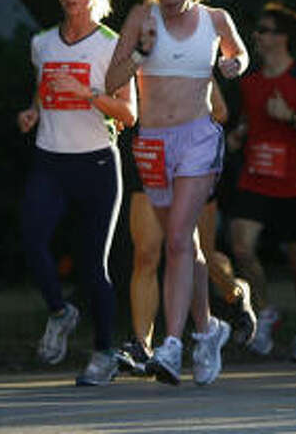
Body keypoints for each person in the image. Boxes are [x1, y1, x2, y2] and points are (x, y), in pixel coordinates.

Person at [105, 0, 247, 386]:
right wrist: (142, 54)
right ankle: (207, 330)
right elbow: (111, 80)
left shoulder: (215, 19)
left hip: (198, 140)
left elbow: (239, 54)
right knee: (184, 245)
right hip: (153, 142)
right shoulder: (140, 19)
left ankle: (170, 343)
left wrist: (232, 65)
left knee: (179, 240)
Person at [17, 0, 137, 386]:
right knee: (32, 240)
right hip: (50, 157)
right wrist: (33, 112)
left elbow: (128, 113)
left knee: (92, 264)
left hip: (97, 161)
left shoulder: (112, 44)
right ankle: (60, 311)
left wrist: (88, 93)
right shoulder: (43, 43)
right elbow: (42, 88)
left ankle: (104, 353)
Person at [115, 82, 256, 377]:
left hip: (190, 164)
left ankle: (234, 294)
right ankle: (142, 344)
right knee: (146, 253)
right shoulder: (137, 56)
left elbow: (220, 111)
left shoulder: (191, 49)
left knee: (196, 253)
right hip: (151, 159)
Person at [227, 2, 296, 364]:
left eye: (265, 29)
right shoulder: (251, 82)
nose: (257, 35)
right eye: (257, 30)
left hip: (294, 181)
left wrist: (290, 117)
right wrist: (239, 134)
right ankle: (265, 311)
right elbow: (246, 120)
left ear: (283, 37)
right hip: (255, 177)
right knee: (241, 247)